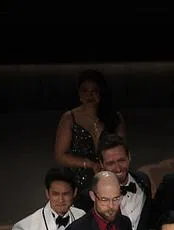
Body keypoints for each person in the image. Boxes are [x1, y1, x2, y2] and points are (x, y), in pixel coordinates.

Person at [54, 69, 126, 211]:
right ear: (79, 94)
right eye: (85, 91)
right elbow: (60, 155)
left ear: (101, 93)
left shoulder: (114, 118)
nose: (89, 95)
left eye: (94, 91)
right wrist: (90, 164)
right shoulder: (70, 118)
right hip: (79, 181)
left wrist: (109, 167)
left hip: (109, 178)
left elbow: (123, 151)